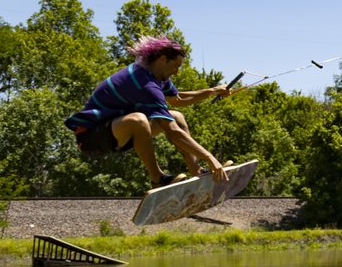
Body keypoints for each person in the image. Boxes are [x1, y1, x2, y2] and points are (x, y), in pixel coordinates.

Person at [65, 35, 230, 190]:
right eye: (176, 66)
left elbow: (177, 99)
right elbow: (172, 132)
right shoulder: (144, 83)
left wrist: (212, 91)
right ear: (163, 59)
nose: (177, 71)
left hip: (115, 131)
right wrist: (211, 158)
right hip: (91, 138)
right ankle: (158, 179)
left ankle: (197, 172)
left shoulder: (155, 75)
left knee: (176, 117)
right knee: (139, 120)